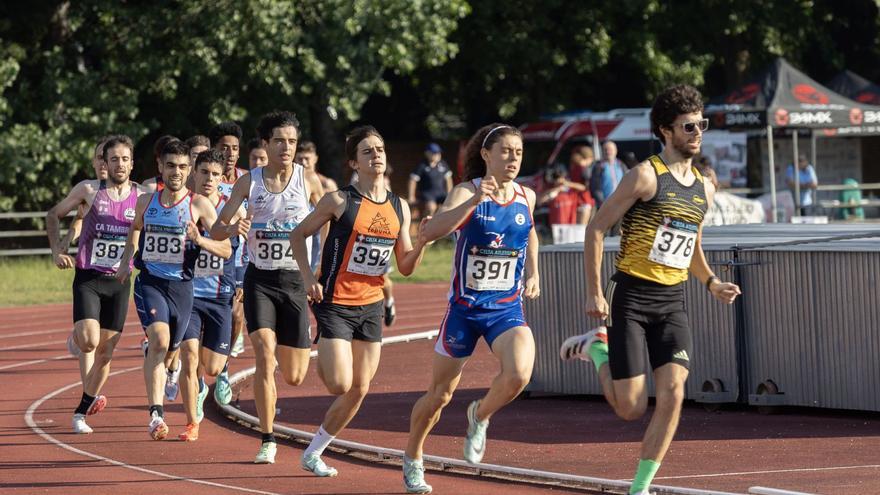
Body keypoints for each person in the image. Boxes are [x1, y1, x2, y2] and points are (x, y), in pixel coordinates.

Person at [559, 84, 741, 495]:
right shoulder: (644, 176)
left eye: (702, 124)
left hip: (673, 302)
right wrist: (594, 292)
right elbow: (596, 228)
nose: (698, 133)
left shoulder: (704, 187)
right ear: (665, 130)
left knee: (674, 393)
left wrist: (711, 281)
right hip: (633, 300)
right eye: (689, 126)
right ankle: (596, 349)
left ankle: (639, 487)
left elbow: (691, 242)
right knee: (630, 407)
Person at [402, 123, 540, 494]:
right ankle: (414, 456)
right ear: (486, 154)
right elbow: (431, 232)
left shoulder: (527, 195)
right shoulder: (467, 190)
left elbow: (529, 231)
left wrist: (533, 272)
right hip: (464, 310)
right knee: (439, 396)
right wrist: (473, 204)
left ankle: (479, 416)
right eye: (506, 151)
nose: (512, 158)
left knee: (519, 375)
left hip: (505, 308)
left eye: (518, 152)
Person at [290, 125, 429, 477]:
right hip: (335, 301)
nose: (377, 155)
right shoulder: (339, 200)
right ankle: (313, 341)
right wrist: (308, 277)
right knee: (339, 383)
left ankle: (314, 451)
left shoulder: (399, 207)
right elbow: (298, 234)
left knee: (359, 389)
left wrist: (424, 241)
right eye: (367, 151)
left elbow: (406, 266)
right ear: (354, 161)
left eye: (380, 149)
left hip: (370, 306)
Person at [211, 110, 324, 464]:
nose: (287, 147)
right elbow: (216, 228)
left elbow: (329, 222)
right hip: (259, 278)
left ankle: (279, 380)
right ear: (265, 144)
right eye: (279, 141)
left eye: (292, 141)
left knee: (294, 374)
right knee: (264, 353)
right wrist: (232, 229)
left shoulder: (309, 181)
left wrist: (318, 266)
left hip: (293, 280)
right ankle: (268, 438)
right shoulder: (250, 183)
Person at [115, 140, 231, 440]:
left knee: (171, 350)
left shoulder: (199, 205)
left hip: (183, 287)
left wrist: (200, 238)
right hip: (151, 282)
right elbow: (135, 229)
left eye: (182, 167)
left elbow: (226, 249)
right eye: (170, 166)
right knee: (159, 340)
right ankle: (156, 414)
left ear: (188, 169)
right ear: (160, 168)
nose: (176, 172)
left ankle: (169, 366)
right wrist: (127, 260)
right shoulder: (145, 201)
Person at [46, 135, 140, 434]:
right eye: (114, 159)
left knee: (106, 353)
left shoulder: (142, 196)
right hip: (89, 277)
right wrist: (57, 250)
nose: (120, 164)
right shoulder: (89, 190)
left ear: (132, 163)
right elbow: (54, 214)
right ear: (105, 163)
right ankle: (76, 340)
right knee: (88, 340)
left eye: (125, 159)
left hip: (120, 282)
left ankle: (82, 409)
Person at [177, 149, 247, 441]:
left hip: (220, 295)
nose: (208, 179)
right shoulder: (184, 206)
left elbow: (239, 251)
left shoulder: (233, 210)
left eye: (215, 174)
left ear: (222, 178)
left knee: (212, 365)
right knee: (190, 358)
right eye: (203, 172)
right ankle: (192, 421)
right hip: (189, 295)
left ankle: (204, 385)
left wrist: (243, 280)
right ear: (194, 173)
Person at [210, 121, 249, 392]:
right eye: (225, 147)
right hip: (210, 254)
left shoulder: (248, 179)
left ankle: (223, 367)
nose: (231, 153)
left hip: (241, 258)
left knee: (236, 315)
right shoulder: (206, 178)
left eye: (235, 148)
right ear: (215, 149)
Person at [407, 142, 453, 218]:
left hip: (441, 193)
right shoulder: (422, 166)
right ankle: (427, 225)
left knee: (449, 206)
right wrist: (411, 196)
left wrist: (450, 193)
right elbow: (413, 180)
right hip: (427, 193)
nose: (437, 155)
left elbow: (448, 179)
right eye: (434, 153)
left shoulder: (443, 164)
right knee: (431, 207)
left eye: (438, 153)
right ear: (427, 153)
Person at [590, 140, 626, 209]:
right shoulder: (598, 166)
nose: (608, 152)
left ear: (616, 151)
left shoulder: (621, 165)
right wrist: (603, 204)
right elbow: (596, 188)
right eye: (605, 150)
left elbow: (627, 183)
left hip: (620, 204)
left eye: (610, 150)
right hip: (605, 205)